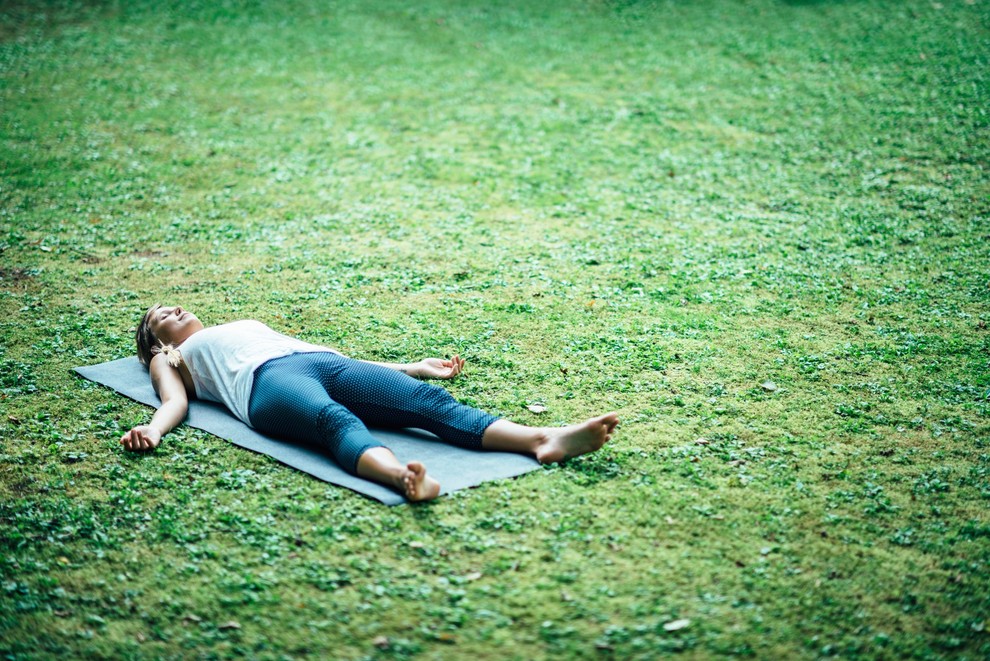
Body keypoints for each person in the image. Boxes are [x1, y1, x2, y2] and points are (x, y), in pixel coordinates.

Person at [121, 304, 620, 501]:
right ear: (153, 341)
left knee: (429, 402)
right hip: (266, 385)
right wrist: (155, 429)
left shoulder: (237, 325)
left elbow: (345, 362)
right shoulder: (171, 354)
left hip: (317, 360)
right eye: (157, 315)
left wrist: (411, 368)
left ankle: (542, 438)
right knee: (332, 419)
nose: (170, 308)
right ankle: (402, 478)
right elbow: (174, 402)